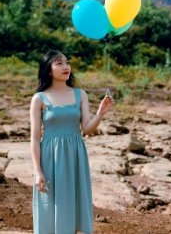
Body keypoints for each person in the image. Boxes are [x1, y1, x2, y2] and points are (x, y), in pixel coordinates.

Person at [30, 50, 113, 234]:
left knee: (73, 202)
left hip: (75, 155)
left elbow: (87, 128)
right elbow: (35, 138)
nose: (65, 67)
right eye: (59, 63)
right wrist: (37, 171)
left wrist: (100, 113)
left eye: (67, 62)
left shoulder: (80, 94)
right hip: (50, 157)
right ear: (48, 70)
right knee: (50, 204)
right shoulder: (39, 99)